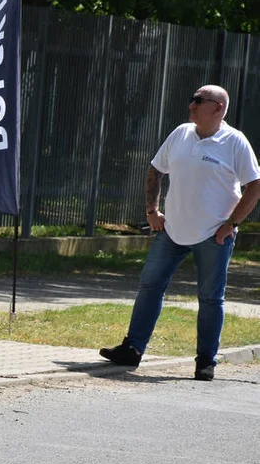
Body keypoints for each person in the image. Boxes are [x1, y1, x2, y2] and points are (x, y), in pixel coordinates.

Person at [100, 84, 260, 380]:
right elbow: (154, 171)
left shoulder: (234, 142)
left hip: (214, 236)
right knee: (149, 286)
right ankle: (132, 350)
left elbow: (255, 186)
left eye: (198, 101)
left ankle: (206, 361)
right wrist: (152, 212)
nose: (191, 105)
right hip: (172, 231)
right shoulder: (180, 133)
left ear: (218, 108)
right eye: (192, 100)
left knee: (211, 297)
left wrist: (232, 224)